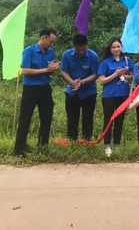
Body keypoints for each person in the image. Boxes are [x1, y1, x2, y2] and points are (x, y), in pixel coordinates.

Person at [13, 28, 60, 157]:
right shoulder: (29, 51)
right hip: (31, 89)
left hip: (45, 88)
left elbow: (49, 71)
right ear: (43, 38)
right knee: (25, 119)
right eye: (51, 41)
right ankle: (19, 151)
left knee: (46, 118)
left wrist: (53, 69)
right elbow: (25, 71)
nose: (52, 44)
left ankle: (42, 146)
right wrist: (46, 70)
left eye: (53, 42)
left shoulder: (50, 52)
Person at [97, 38, 133, 157]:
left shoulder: (127, 60)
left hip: (123, 95)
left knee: (120, 120)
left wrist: (125, 76)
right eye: (114, 47)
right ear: (110, 49)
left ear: (122, 47)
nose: (116, 49)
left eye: (118, 47)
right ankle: (107, 145)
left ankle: (117, 144)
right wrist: (115, 74)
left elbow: (132, 76)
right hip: (109, 95)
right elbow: (101, 81)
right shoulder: (105, 62)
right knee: (109, 120)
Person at [60, 34, 99, 141]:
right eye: (78, 50)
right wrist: (72, 82)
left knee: (88, 117)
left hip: (89, 92)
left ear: (87, 45)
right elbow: (63, 71)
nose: (81, 52)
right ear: (74, 46)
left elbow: (95, 74)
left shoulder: (93, 56)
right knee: (72, 118)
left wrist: (82, 82)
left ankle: (86, 141)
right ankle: (72, 141)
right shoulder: (66, 55)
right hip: (72, 92)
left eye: (83, 49)